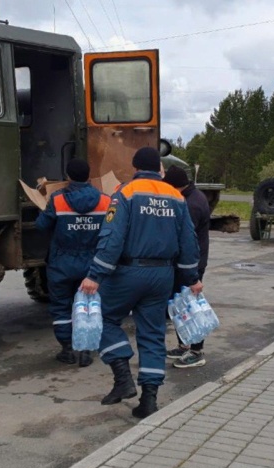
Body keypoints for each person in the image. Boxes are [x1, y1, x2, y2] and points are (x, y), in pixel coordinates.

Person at [80, 147, 202, 418]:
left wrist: (95, 275)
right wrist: (192, 278)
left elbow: (112, 238)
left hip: (127, 273)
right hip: (162, 277)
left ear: (135, 168)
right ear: (159, 168)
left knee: (103, 318)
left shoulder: (126, 193)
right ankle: (149, 400)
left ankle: (123, 376)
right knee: (152, 333)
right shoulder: (177, 197)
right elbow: (188, 243)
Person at [36, 159, 111, 367]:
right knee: (89, 307)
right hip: (91, 264)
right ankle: (86, 350)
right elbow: (111, 232)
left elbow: (41, 226)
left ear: (68, 176)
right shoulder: (105, 200)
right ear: (89, 176)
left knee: (61, 307)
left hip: (61, 263)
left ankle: (67, 349)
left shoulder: (58, 200)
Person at [163, 165, 211, 368]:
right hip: (187, 263)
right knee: (180, 305)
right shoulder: (191, 196)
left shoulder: (191, 205)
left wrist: (192, 275)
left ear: (176, 187)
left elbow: (185, 239)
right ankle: (184, 345)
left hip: (190, 265)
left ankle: (197, 351)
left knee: (191, 308)